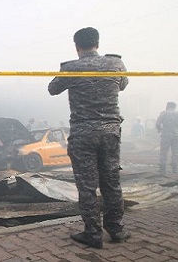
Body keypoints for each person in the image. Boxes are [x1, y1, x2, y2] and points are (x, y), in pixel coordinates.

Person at [48, 27, 130, 249]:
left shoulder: (71, 68)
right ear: (98, 43)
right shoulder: (115, 64)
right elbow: (122, 84)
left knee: (87, 186)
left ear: (76, 47)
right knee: (112, 182)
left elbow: (52, 89)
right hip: (110, 133)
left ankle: (93, 234)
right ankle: (117, 229)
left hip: (83, 133)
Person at [155, 102, 178, 174]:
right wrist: (176, 126)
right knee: (175, 152)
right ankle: (174, 169)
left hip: (166, 135)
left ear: (167, 106)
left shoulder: (163, 113)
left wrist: (160, 129)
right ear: (175, 107)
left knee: (163, 152)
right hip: (176, 135)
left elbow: (157, 123)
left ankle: (163, 169)